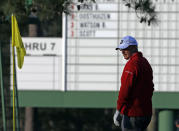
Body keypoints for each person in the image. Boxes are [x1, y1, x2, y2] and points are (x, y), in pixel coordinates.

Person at [113, 36, 154, 131]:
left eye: (125, 49)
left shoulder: (131, 65)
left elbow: (125, 90)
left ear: (133, 48)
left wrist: (118, 110)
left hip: (132, 113)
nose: (122, 52)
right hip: (146, 114)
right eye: (121, 49)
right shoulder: (145, 62)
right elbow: (151, 88)